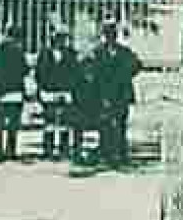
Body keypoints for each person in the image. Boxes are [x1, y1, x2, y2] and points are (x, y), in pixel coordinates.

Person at [90, 20, 142, 168]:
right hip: (104, 94)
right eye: (107, 33)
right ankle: (106, 155)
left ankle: (121, 155)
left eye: (112, 33)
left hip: (121, 94)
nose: (110, 36)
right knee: (104, 125)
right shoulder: (98, 52)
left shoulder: (124, 52)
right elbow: (95, 74)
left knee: (120, 126)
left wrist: (125, 74)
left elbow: (137, 65)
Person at [0, 25, 29, 162]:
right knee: (13, 124)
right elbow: (25, 70)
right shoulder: (18, 52)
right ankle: (11, 150)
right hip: (15, 91)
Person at [34, 28, 80, 160]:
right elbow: (40, 73)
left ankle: (64, 150)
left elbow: (75, 73)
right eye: (57, 37)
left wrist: (69, 89)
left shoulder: (70, 54)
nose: (60, 40)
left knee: (65, 122)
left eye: (62, 38)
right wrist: (43, 89)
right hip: (49, 91)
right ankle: (48, 150)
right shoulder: (44, 54)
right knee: (49, 121)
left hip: (65, 91)